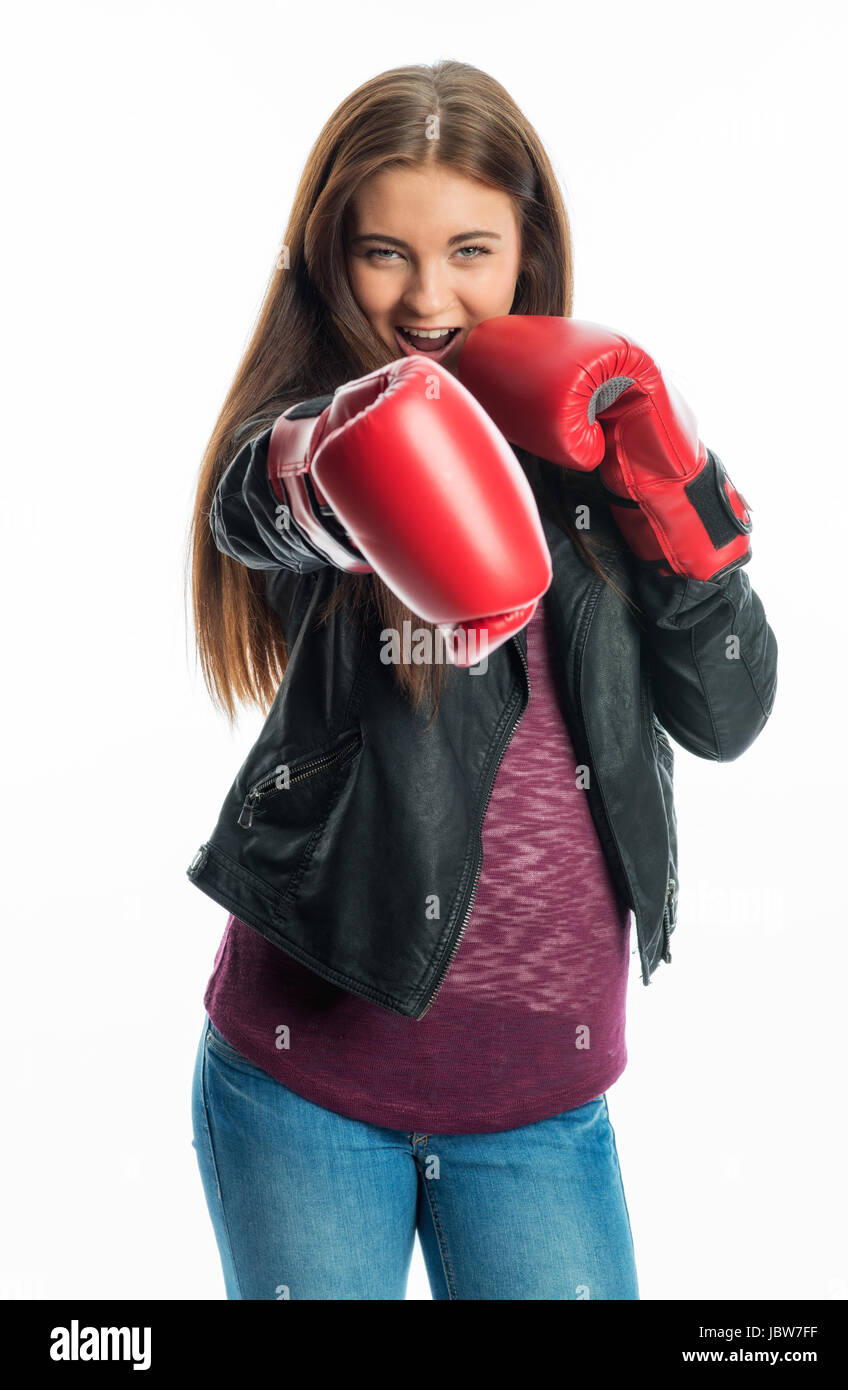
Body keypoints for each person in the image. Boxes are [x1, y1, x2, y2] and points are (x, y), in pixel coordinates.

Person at [185, 59, 778, 1301]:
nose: (427, 295)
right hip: (307, 1094)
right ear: (330, 259)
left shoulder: (599, 434)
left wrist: (678, 501)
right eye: (383, 253)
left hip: (540, 1114)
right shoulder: (320, 433)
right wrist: (331, 462)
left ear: (528, 251)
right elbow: (258, 503)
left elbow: (728, 714)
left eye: (468, 248)